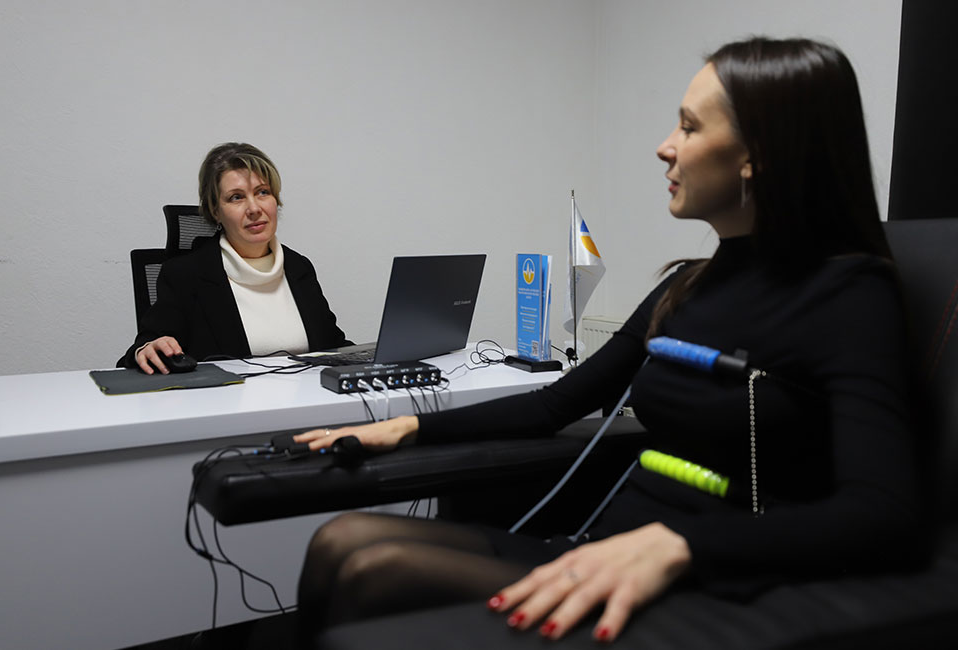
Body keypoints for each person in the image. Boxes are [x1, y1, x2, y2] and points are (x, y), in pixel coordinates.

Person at [293, 37, 924, 643]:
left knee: (374, 573)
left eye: (689, 127)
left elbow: (884, 514)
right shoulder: (688, 286)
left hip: (705, 578)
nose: (664, 146)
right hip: (600, 551)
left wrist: (682, 546)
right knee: (339, 541)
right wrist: (410, 427)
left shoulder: (850, 294)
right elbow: (555, 404)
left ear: (756, 154)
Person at [118, 143, 349, 373]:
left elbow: (333, 347)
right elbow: (146, 349)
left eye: (262, 192)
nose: (254, 208)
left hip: (305, 395)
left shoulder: (299, 267)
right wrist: (147, 349)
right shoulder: (185, 275)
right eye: (236, 197)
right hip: (225, 396)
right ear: (215, 211)